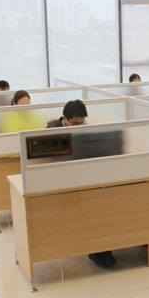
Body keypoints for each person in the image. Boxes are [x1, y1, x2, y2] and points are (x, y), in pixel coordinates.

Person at [46, 100, 116, 269]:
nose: (79, 127)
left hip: (86, 179)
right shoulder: (50, 132)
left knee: (102, 201)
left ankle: (101, 247)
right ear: (64, 119)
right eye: (75, 124)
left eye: (82, 123)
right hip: (62, 184)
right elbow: (50, 163)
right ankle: (94, 248)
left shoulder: (86, 129)